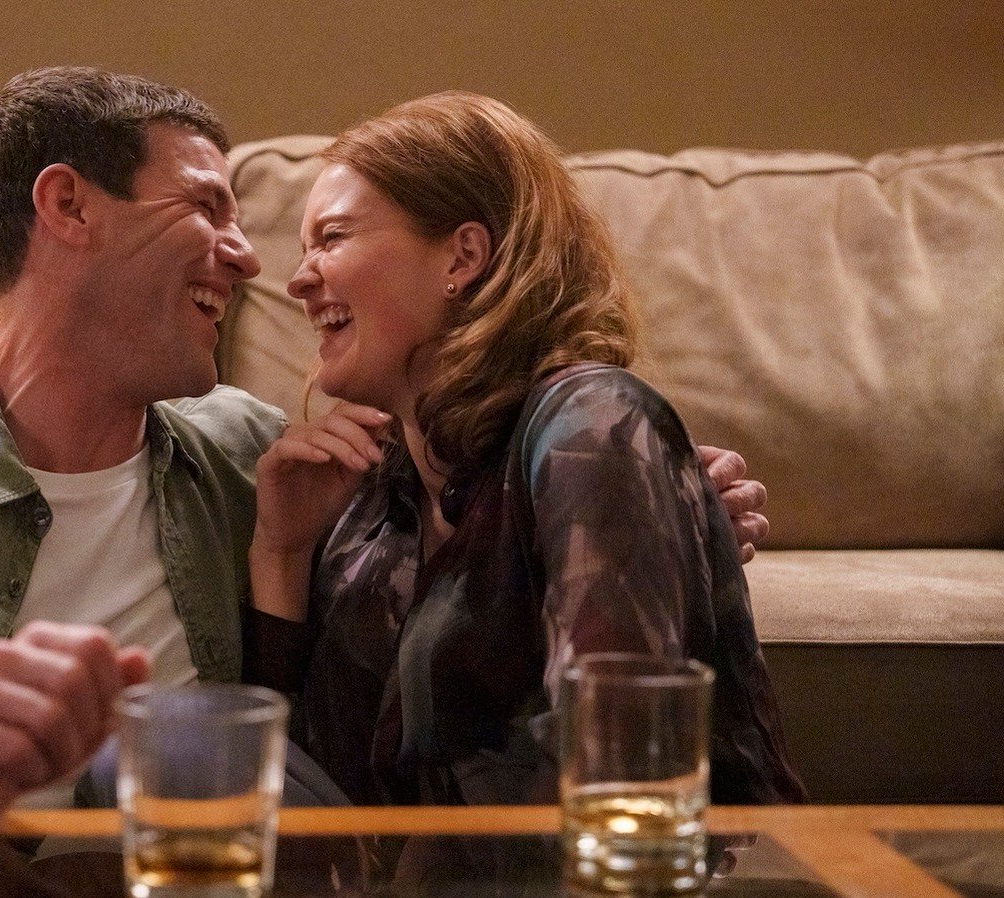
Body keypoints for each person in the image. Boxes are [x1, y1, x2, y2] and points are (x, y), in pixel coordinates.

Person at [0, 67, 773, 835]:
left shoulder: (259, 461)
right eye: (207, 206)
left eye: (326, 238)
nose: (255, 262)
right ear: (67, 206)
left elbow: (492, 529)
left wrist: (654, 510)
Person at [246, 92, 805, 806]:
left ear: (463, 256)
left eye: (331, 238)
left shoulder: (592, 429)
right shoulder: (377, 489)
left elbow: (616, 770)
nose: (298, 281)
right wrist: (281, 554)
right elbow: (286, 778)